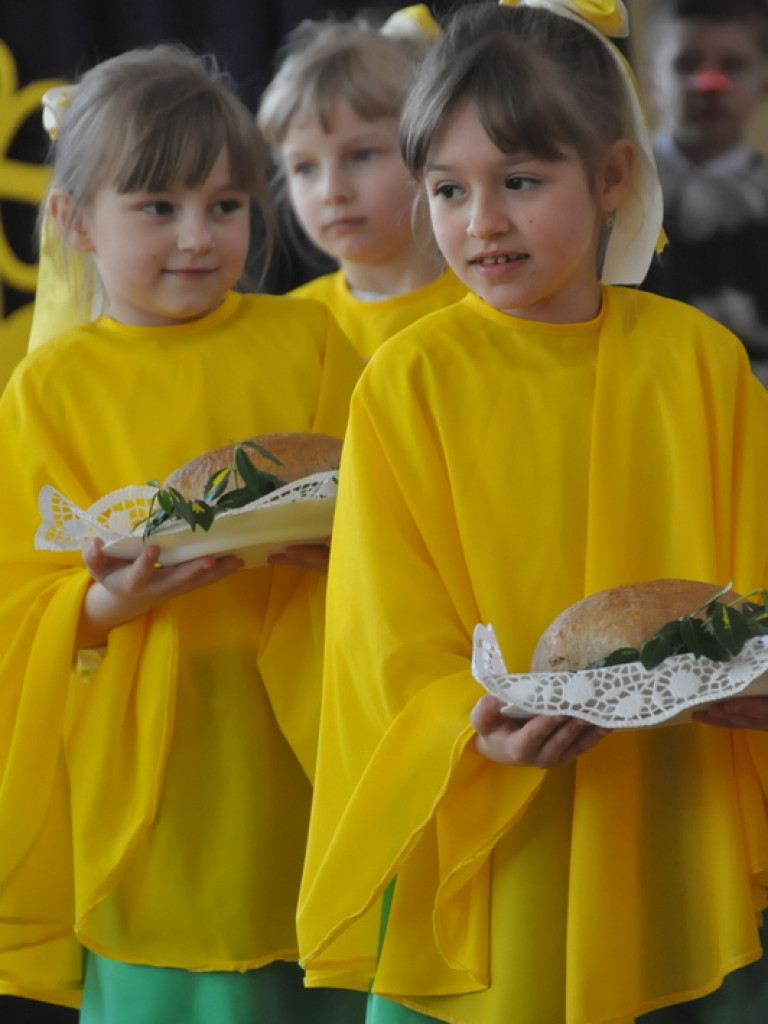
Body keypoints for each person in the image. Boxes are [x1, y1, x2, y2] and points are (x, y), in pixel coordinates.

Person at [295, 2, 768, 1023]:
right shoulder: (408, 381)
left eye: (519, 181)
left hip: (671, 809)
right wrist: (472, 734)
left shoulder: (701, 362)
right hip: (503, 819)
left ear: (612, 178)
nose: (482, 222)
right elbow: (382, 636)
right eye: (448, 190)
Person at [0, 43, 367, 1024]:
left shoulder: (307, 341)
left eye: (225, 206)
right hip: (150, 769)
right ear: (75, 221)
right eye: (158, 208)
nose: (198, 237)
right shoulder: (52, 388)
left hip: (300, 737)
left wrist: (342, 548)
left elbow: (379, 511)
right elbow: (18, 598)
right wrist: (105, 599)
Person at [256, 6, 466, 360]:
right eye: (305, 168)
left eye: (362, 155)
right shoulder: (287, 327)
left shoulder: (492, 296)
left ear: (427, 149)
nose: (332, 191)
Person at [639, 0, 768, 385]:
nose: (710, 83)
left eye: (733, 66)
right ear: (651, 85)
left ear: (764, 85)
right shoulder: (610, 192)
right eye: (687, 64)